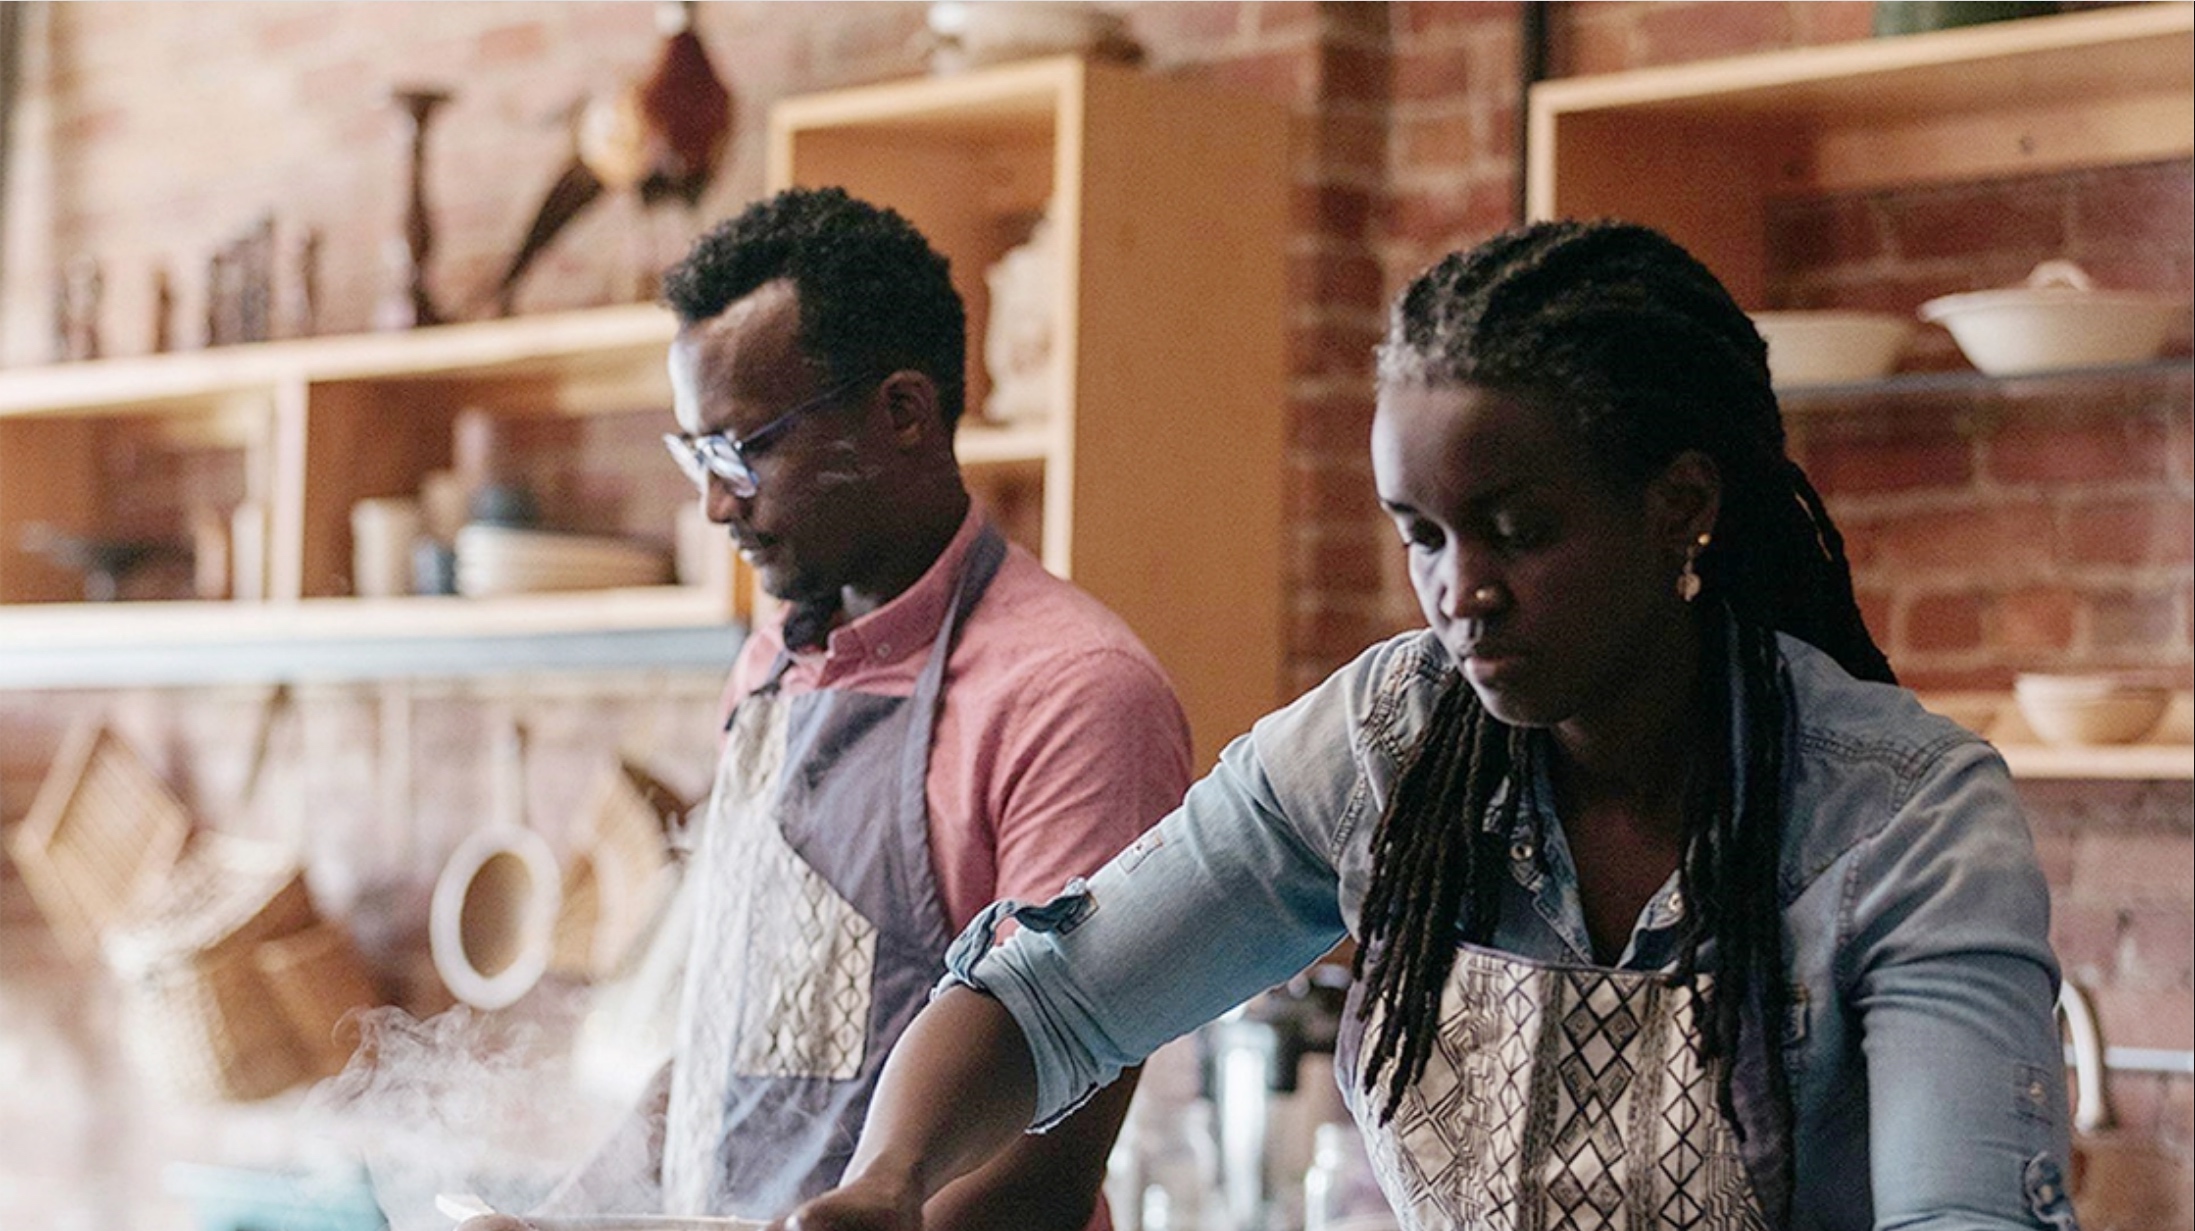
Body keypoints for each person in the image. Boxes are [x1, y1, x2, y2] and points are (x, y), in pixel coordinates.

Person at [770, 220, 2078, 1231]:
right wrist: (886, 1181)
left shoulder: (1900, 811)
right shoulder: (1389, 741)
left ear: (1679, 504)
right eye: (1421, 535)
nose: (1460, 591)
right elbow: (1055, 995)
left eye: (1517, 530)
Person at [471, 186, 1192, 1229]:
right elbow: (731, 1033)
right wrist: (560, 1219)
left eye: (742, 449)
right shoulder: (772, 662)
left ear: (901, 412)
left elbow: (1053, 1145)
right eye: (695, 455)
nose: (715, 503)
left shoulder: (1072, 694)